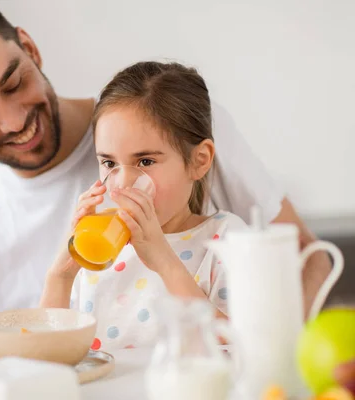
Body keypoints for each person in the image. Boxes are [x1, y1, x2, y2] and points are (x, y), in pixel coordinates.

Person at [0, 0, 331, 364]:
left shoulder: (167, 124)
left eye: (13, 83)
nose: (11, 121)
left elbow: (304, 260)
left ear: (30, 48)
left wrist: (274, 367)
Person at [40, 61, 246, 350]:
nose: (122, 183)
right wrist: (60, 277)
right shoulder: (100, 251)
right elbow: (49, 356)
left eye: (145, 162)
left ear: (199, 161)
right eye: (109, 163)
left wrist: (164, 260)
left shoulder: (227, 241)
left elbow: (240, 348)